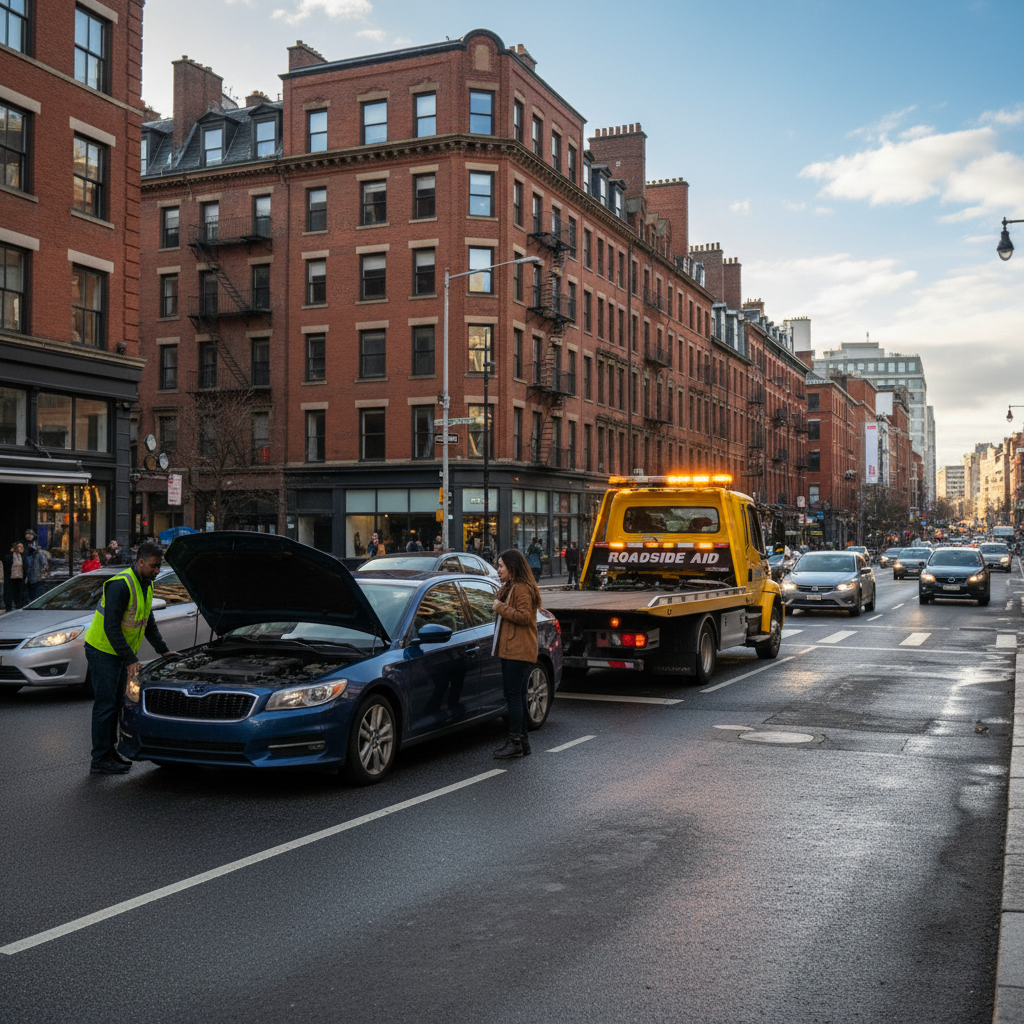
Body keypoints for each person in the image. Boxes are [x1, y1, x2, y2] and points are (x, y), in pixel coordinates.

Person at [83, 540, 173, 775]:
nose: (157, 571)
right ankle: (100, 758)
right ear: (140, 561)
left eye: (159, 566)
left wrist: (163, 650)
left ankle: (109, 752)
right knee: (105, 705)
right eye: (153, 566)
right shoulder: (121, 585)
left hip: (118, 652)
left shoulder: (146, 583)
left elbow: (148, 621)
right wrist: (130, 659)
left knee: (115, 704)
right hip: (102, 650)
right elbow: (111, 626)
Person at [491, 548, 542, 759]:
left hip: (518, 651)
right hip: (513, 649)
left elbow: (523, 616)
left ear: (512, 567)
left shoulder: (521, 589)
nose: (498, 569)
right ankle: (522, 742)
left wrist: (500, 607)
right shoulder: (513, 587)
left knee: (513, 696)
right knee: (518, 696)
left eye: (501, 566)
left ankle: (515, 742)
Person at [3, 541, 26, 611]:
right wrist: (11, 552)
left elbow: (25, 567)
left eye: (22, 547)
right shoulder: (10, 556)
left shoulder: (23, 556)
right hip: (11, 578)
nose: (21, 548)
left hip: (20, 578)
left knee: (19, 594)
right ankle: (8, 608)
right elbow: (6, 564)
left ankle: (19, 606)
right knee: (9, 594)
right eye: (19, 547)